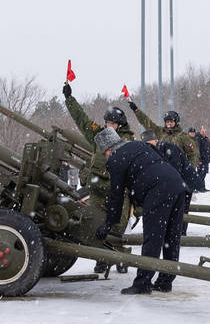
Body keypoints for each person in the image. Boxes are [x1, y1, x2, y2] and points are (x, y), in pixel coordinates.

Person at [94, 127, 187, 295]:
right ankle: (166, 280)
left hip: (157, 189)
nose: (106, 157)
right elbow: (161, 160)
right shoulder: (139, 145)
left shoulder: (115, 158)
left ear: (108, 149)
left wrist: (109, 223)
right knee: (171, 236)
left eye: (104, 153)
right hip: (177, 183)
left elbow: (116, 194)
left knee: (153, 237)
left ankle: (143, 282)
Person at [63, 81, 135, 273]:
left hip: (118, 190)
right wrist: (69, 99)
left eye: (112, 123)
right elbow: (82, 120)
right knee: (94, 225)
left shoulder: (129, 142)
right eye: (107, 123)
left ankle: (119, 257)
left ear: (120, 125)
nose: (108, 126)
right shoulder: (100, 135)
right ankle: (101, 259)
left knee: (117, 228)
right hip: (97, 189)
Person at [127, 102, 201, 168]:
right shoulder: (160, 132)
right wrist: (136, 110)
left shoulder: (183, 136)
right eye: (167, 122)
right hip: (163, 167)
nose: (169, 124)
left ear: (176, 122)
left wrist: (190, 168)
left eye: (171, 122)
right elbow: (147, 122)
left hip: (178, 169)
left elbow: (192, 154)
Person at [195, 126, 210, 192]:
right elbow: (198, 150)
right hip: (201, 160)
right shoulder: (198, 138)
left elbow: (209, 148)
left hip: (206, 159)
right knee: (200, 174)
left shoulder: (206, 139)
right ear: (200, 131)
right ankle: (199, 187)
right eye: (202, 131)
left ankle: (202, 187)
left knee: (204, 173)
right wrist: (199, 160)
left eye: (205, 132)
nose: (204, 133)